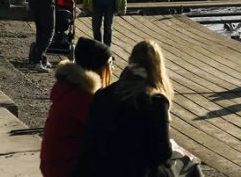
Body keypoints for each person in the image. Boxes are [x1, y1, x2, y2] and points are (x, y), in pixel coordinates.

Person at [73, 40, 203, 177]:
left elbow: (92, 139)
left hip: (103, 168)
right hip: (137, 171)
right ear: (158, 67)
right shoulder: (155, 100)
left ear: (131, 61)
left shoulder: (103, 94)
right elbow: (161, 153)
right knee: (192, 164)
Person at [40, 38, 112, 177]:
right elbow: (108, 133)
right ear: (98, 67)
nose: (112, 68)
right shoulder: (83, 97)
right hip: (66, 169)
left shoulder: (70, 87)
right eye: (109, 63)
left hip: (55, 164)